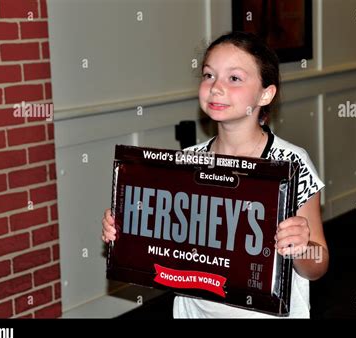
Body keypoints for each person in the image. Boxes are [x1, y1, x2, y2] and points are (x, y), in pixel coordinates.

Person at [101, 31, 329, 318]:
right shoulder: (186, 163)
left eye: (234, 78)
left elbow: (318, 265)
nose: (216, 88)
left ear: (265, 93)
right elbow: (169, 241)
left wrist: (301, 247)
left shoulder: (291, 164)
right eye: (209, 75)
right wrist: (127, 229)